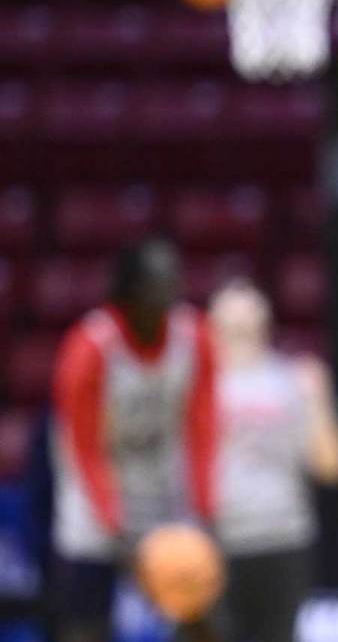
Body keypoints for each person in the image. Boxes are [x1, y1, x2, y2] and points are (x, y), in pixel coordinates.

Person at [50, 238, 218, 642]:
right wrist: (115, 526)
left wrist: (203, 510)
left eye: (174, 281)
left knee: (198, 612)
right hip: (94, 499)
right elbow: (84, 447)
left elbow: (203, 429)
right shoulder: (90, 345)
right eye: (158, 283)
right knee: (85, 624)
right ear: (131, 290)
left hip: (162, 491)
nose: (171, 292)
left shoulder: (193, 335)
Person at [208, 279, 338, 642]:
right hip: (214, 541)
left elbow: (333, 467)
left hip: (283, 537)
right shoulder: (194, 386)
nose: (241, 323)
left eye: (249, 314)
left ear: (266, 321)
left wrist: (318, 402)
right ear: (212, 323)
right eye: (232, 317)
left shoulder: (293, 380)